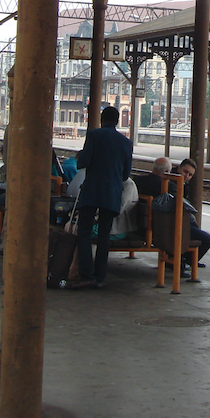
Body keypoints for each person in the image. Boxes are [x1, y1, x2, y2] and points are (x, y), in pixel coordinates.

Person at [71, 106, 133, 289]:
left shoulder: (94, 135)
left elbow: (82, 163)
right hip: (112, 192)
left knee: (84, 233)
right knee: (104, 236)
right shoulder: (126, 142)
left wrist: (84, 157)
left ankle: (86, 275)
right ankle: (100, 277)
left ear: (101, 119)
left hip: (92, 190)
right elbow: (125, 174)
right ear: (116, 120)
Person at [176, 158, 210, 272]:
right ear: (178, 169)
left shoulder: (182, 184)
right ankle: (186, 262)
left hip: (180, 222)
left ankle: (187, 261)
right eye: (185, 172)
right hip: (176, 223)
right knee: (207, 239)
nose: (187, 176)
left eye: (190, 175)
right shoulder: (173, 183)